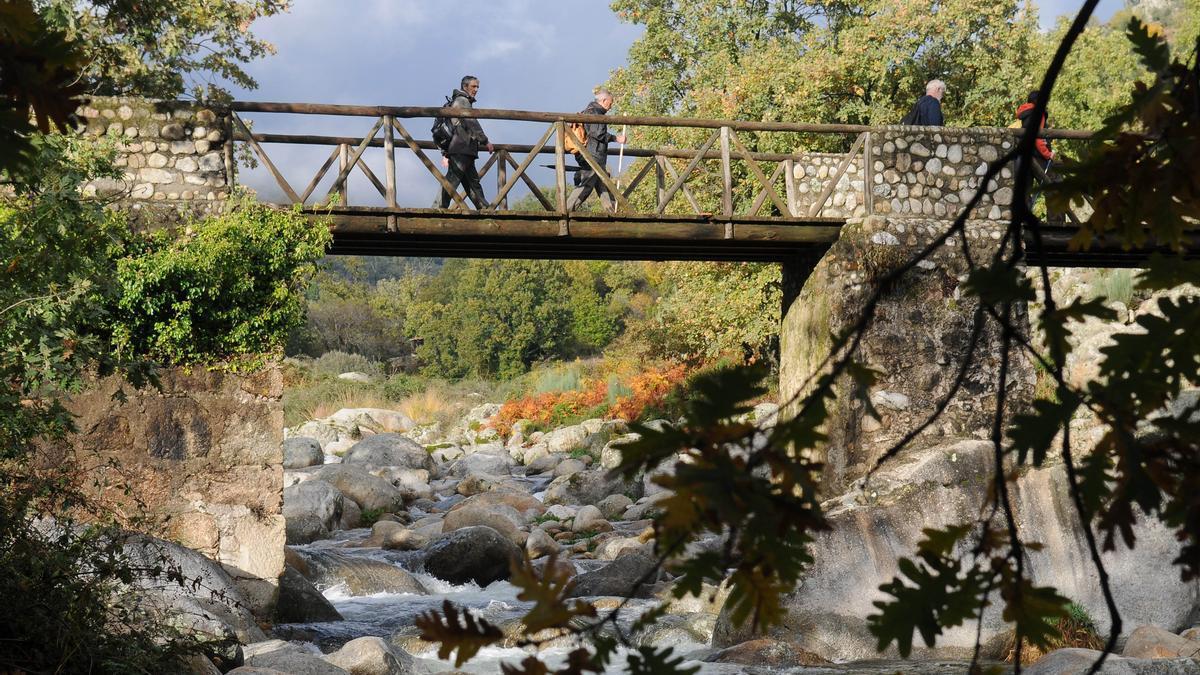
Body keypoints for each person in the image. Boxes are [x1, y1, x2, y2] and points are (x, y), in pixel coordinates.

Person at [566, 89, 627, 211]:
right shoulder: (595, 113)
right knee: (587, 184)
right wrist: (616, 138)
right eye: (610, 103)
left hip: (589, 153)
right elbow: (598, 133)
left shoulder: (588, 111)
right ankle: (565, 211)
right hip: (592, 155)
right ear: (604, 101)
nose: (611, 106)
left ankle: (613, 212)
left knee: (603, 183)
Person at [439, 75, 493, 209]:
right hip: (461, 148)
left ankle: (484, 209)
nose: (476, 89)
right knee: (451, 182)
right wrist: (485, 141)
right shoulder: (462, 101)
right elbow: (471, 122)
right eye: (474, 86)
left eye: (477, 87)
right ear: (465, 87)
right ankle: (438, 209)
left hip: (465, 149)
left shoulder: (461, 101)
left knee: (473, 183)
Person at [1015, 90, 1062, 223]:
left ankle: (1024, 221)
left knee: (1025, 189)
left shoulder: (1024, 113)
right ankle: (1056, 223)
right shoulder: (1038, 113)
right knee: (1054, 185)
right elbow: (1037, 137)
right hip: (1037, 155)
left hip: (1025, 155)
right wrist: (1048, 154)